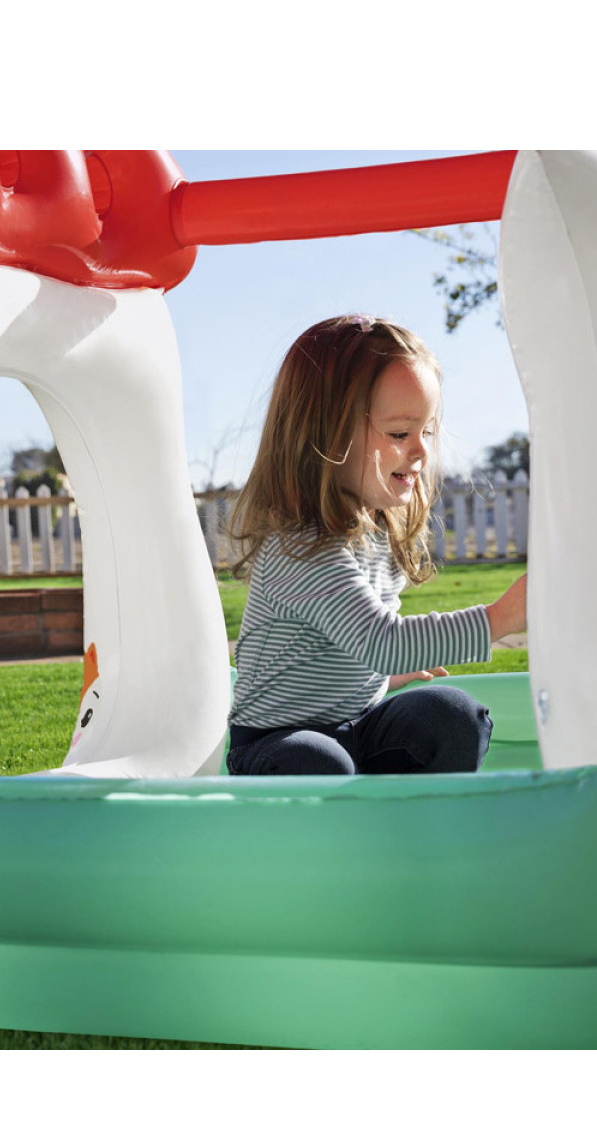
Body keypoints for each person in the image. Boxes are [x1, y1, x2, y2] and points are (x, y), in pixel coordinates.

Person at [225, 314, 528, 776]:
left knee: (454, 717)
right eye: (400, 433)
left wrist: (383, 678)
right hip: (276, 743)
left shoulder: (378, 530)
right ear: (325, 437)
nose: (421, 450)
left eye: (427, 431)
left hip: (356, 724)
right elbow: (382, 641)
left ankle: (415, 814)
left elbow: (363, 648)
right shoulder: (300, 546)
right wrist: (501, 618)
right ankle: (345, 812)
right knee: (317, 760)